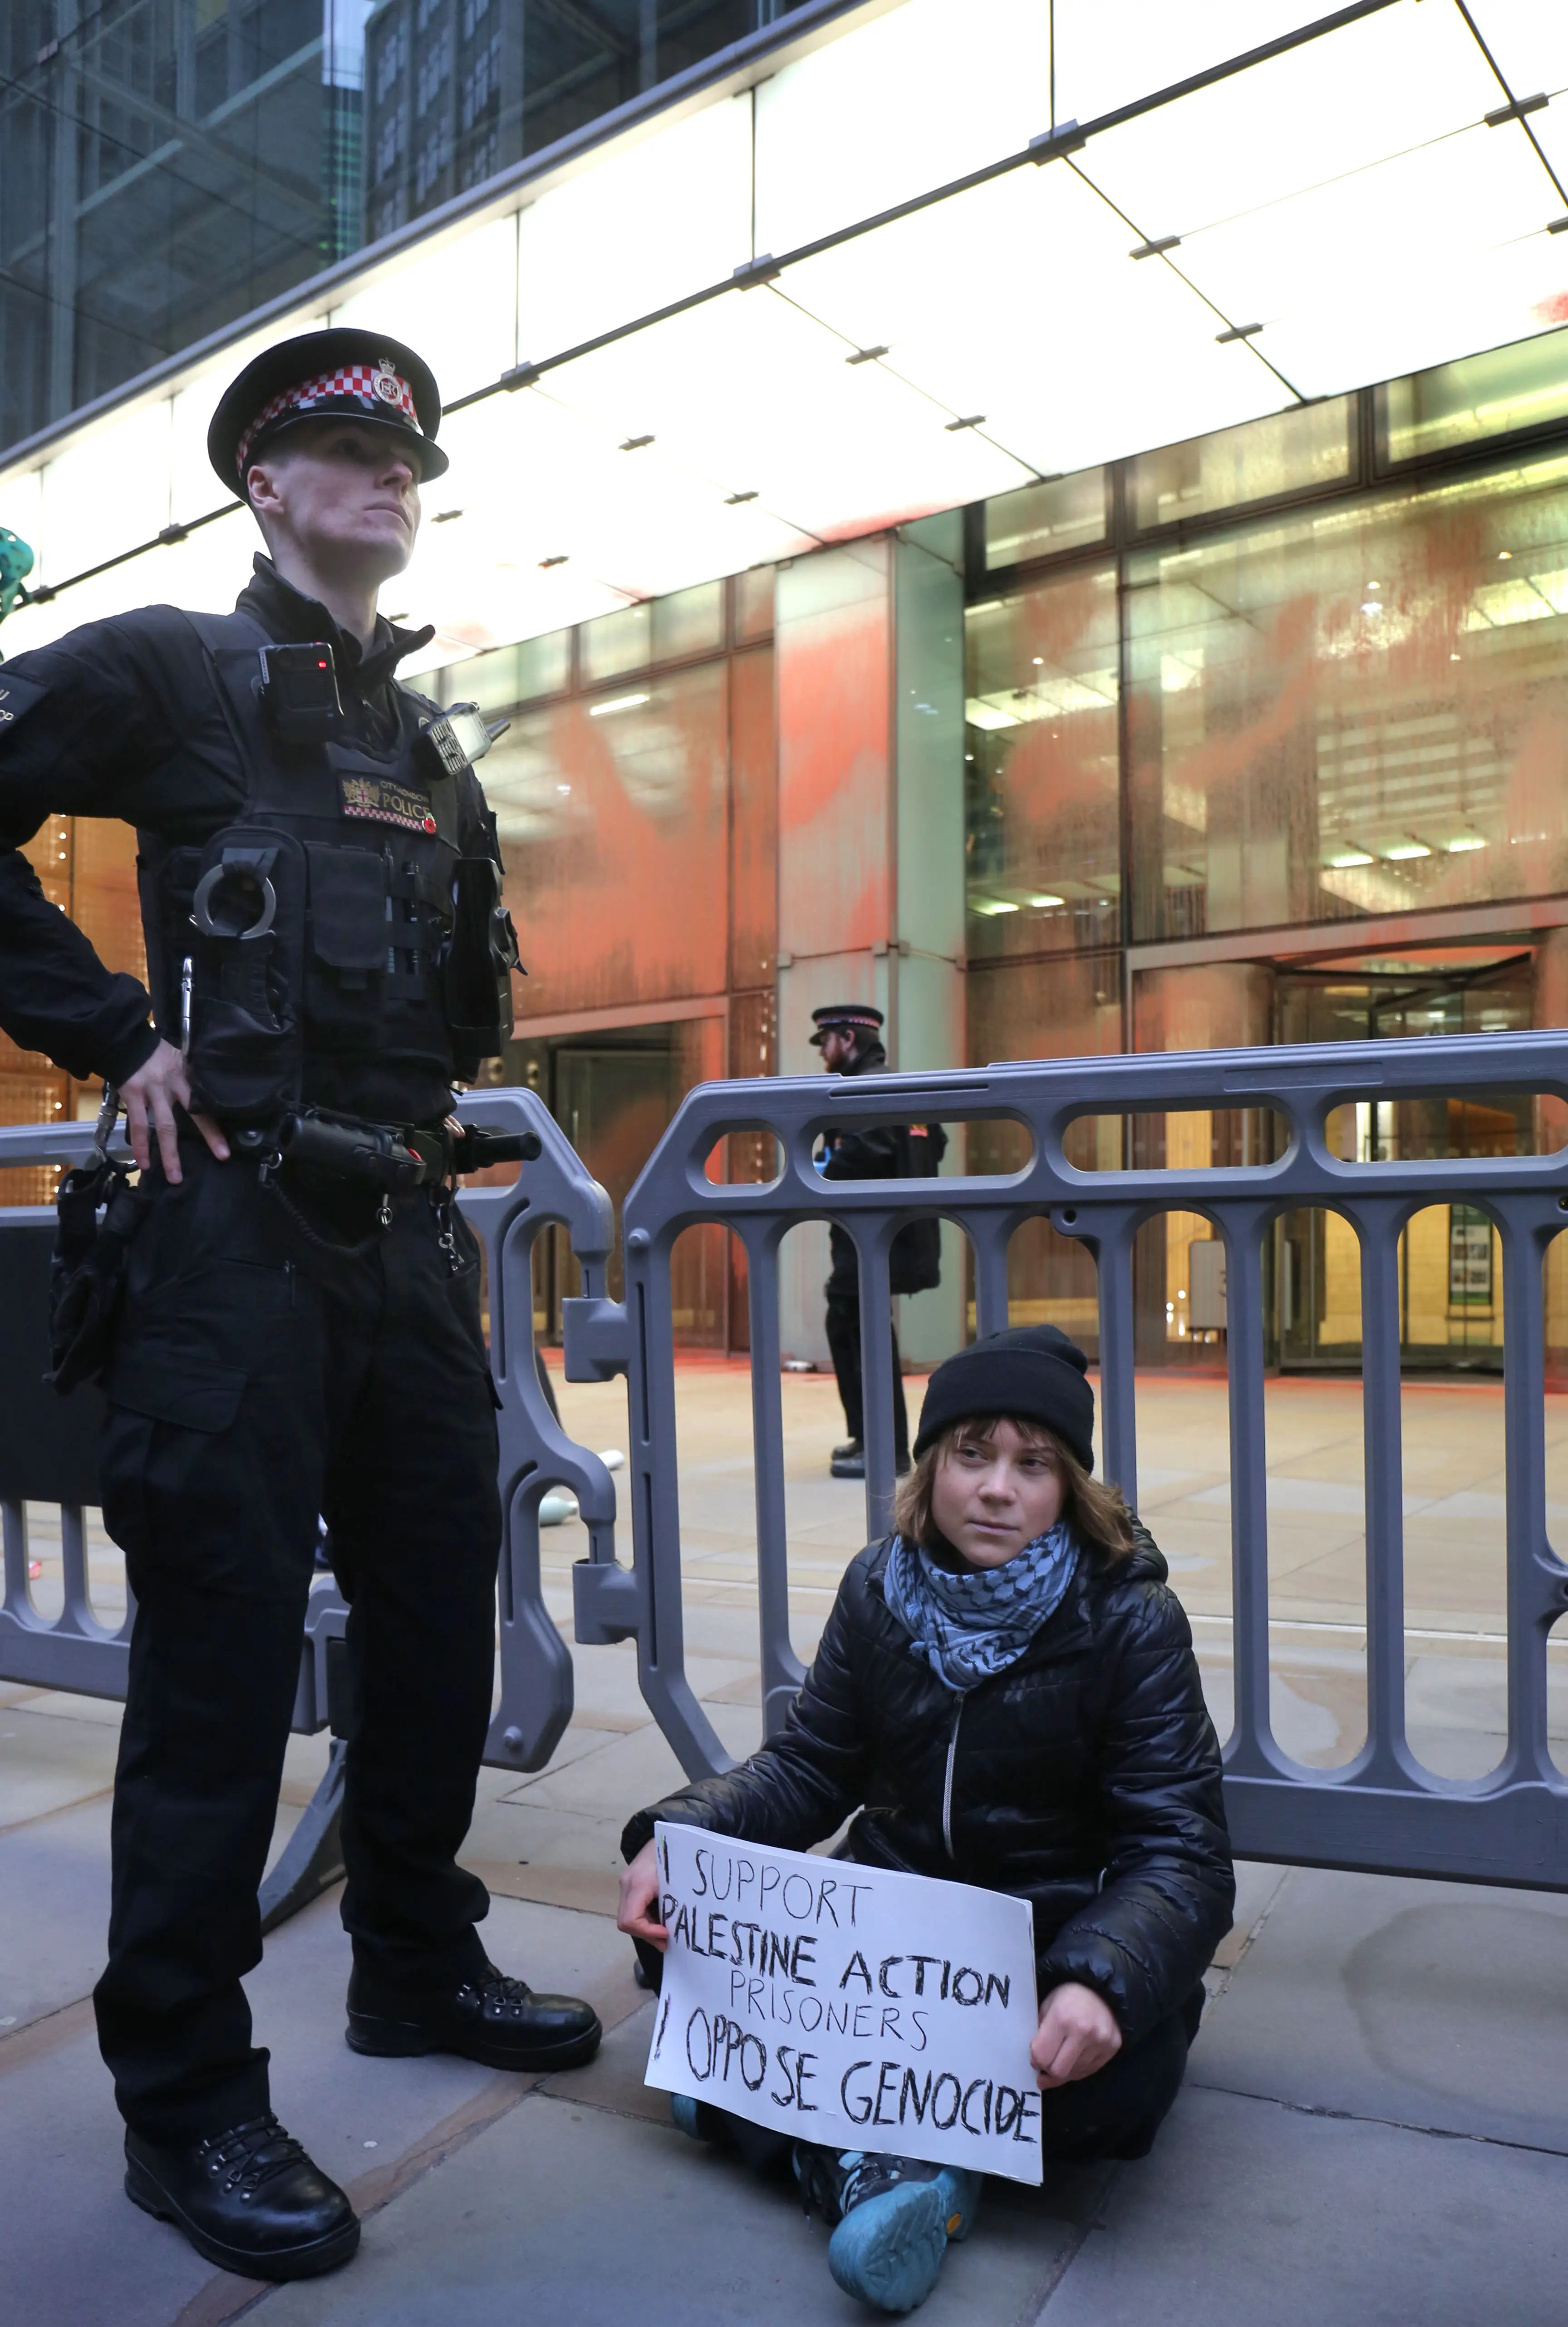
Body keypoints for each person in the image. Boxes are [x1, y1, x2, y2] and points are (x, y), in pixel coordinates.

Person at [0, 329, 601, 2283]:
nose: (391, 471)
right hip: (229, 1242)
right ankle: (184, 2101)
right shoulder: (176, 664)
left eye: (409, 452)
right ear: (263, 480)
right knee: (219, 1677)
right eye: (347, 447)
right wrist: (108, 1027)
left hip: (403, 1239)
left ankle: (411, 1961)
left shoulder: (424, 740)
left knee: (440, 1620)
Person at [617, 1324, 1233, 2314]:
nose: (996, 1488)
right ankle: (911, 2163)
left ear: (1068, 1484)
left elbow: (1181, 1856)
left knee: (1124, 2082)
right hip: (889, 1948)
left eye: (1031, 1464)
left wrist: (1100, 1983)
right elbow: (810, 1765)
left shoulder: (1127, 1620)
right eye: (971, 1453)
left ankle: (806, 2132)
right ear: (930, 1462)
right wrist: (680, 1840)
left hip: (1046, 1947)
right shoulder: (877, 1586)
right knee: (677, 1937)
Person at [811, 1003, 944, 1480]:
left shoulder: (862, 1088)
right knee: (861, 1331)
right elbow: (937, 1143)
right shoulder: (902, 1086)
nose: (822, 1053)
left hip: (868, 1242)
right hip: (902, 1240)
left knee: (856, 1331)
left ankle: (882, 1448)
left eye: (825, 1042)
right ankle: (874, 1441)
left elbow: (865, 1150)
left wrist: (823, 1163)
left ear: (846, 1038)